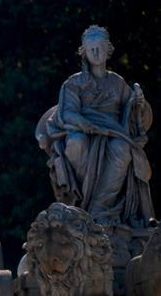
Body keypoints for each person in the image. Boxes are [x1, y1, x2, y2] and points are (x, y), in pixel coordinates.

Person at [36, 25, 153, 230]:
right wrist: (85, 124)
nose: (96, 53)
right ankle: (85, 204)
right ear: (84, 52)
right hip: (83, 131)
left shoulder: (118, 83)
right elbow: (67, 112)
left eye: (99, 47)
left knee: (122, 148)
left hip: (113, 132)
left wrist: (138, 102)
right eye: (91, 49)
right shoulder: (74, 83)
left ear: (108, 49)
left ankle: (100, 209)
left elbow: (133, 113)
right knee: (76, 142)